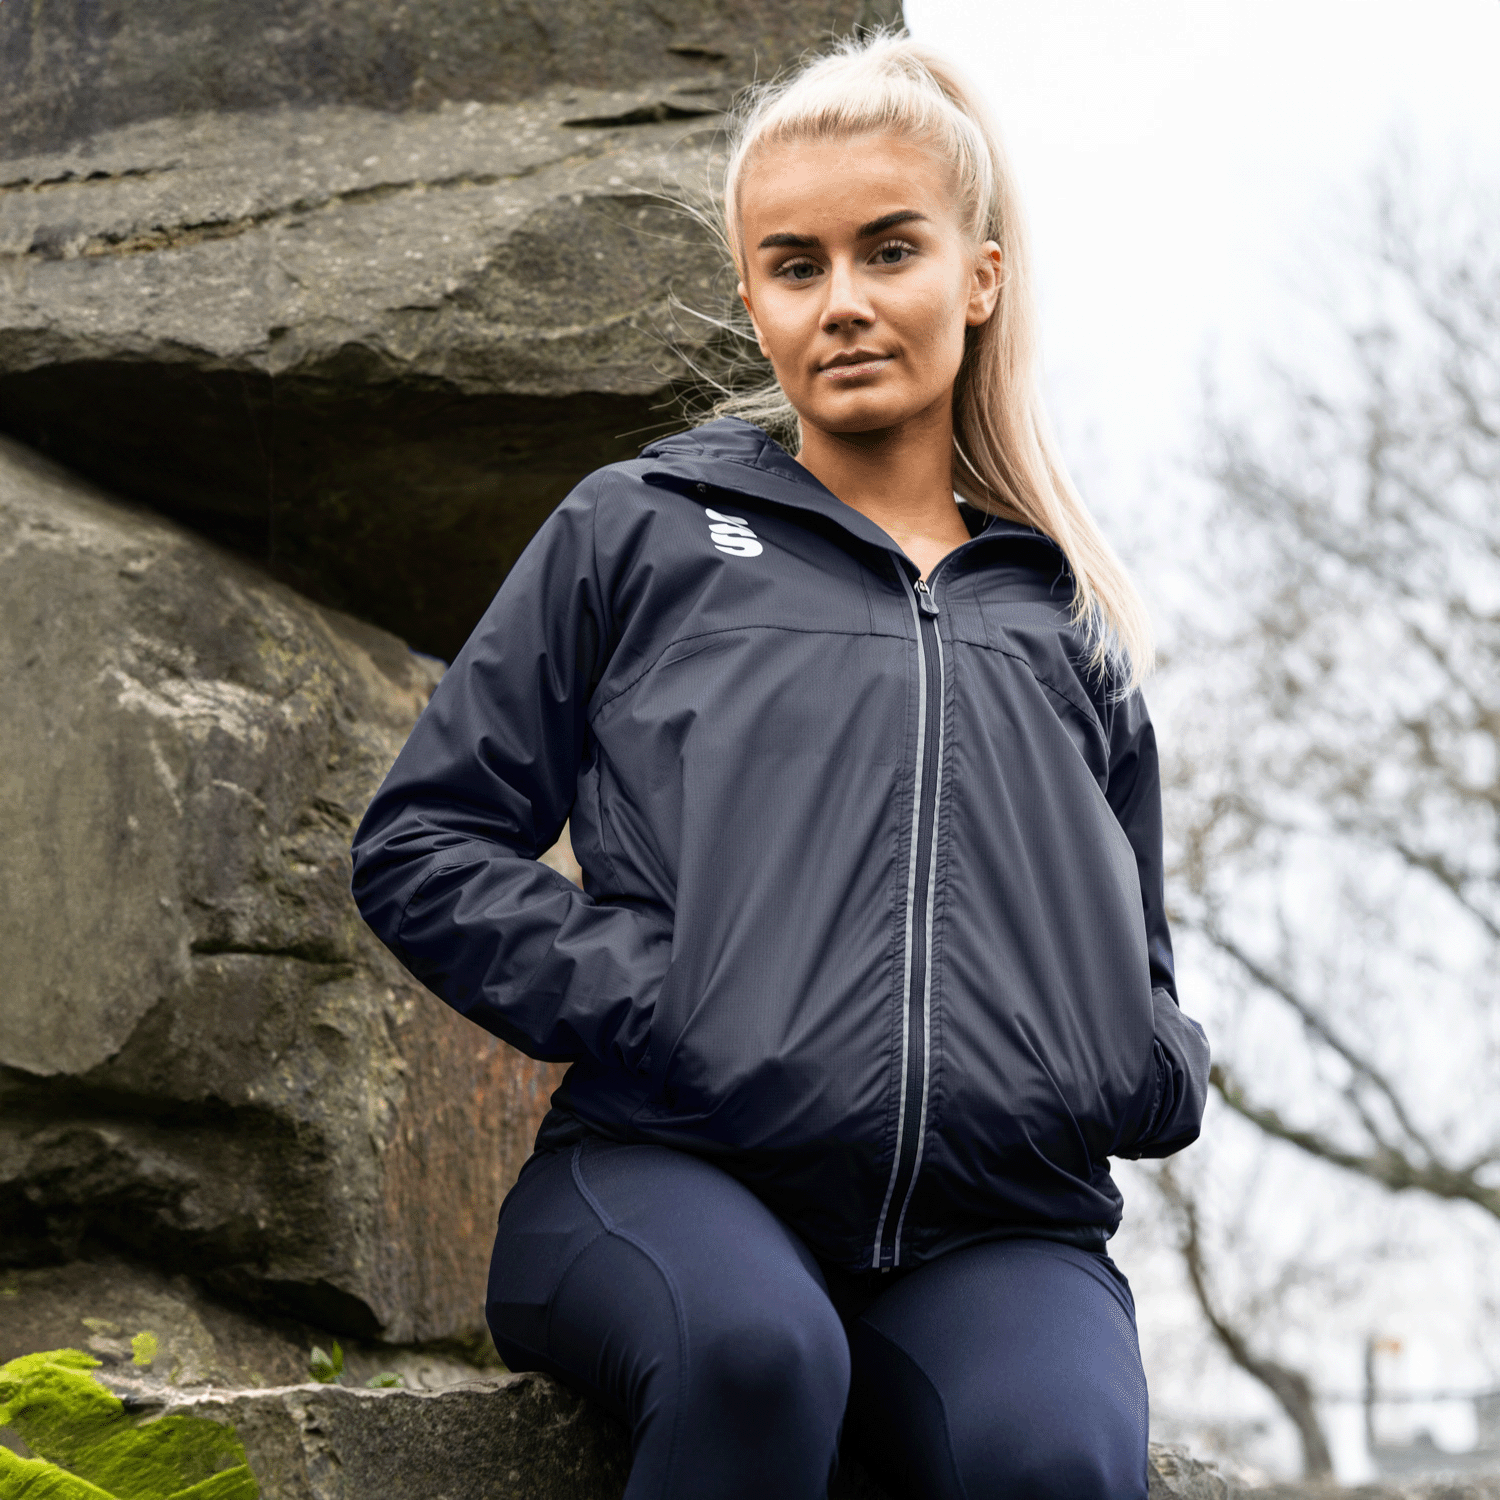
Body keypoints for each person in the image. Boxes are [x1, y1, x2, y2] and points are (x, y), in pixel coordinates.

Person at [350, 29, 1210, 1500]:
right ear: (753, 300)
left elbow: (1135, 968)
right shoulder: (641, 530)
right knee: (761, 1359)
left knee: (1059, 1462)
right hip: (668, 1172)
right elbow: (422, 844)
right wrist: (665, 998)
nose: (845, 301)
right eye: (797, 265)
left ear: (980, 276)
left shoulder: (1063, 617)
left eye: (891, 251)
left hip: (995, 1230)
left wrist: (1135, 1067)